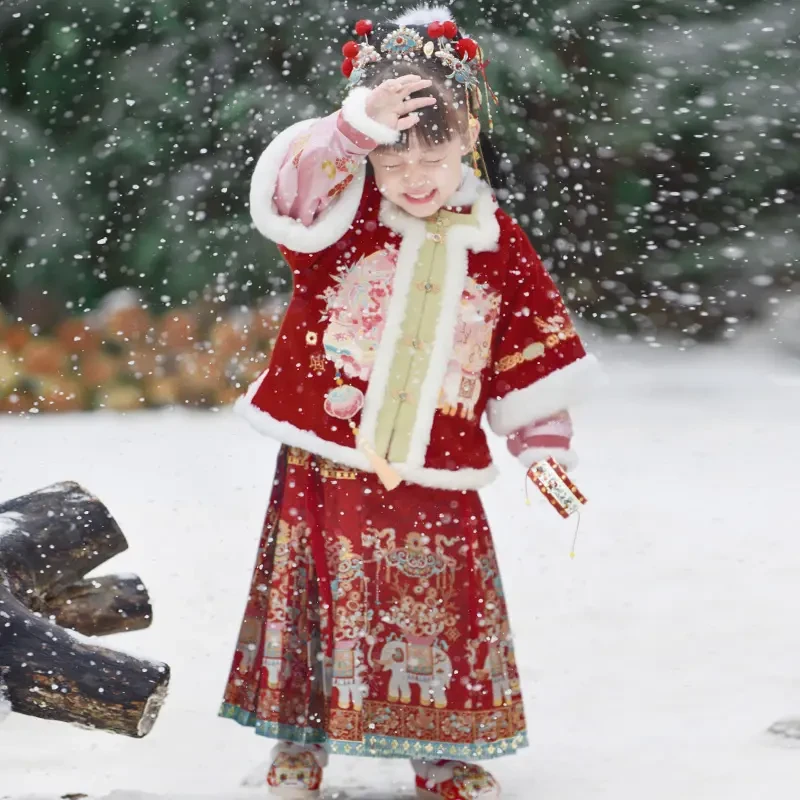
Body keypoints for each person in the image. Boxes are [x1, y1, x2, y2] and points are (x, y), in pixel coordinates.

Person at [219, 5, 598, 798]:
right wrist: (353, 130)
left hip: (436, 466)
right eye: (393, 162)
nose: (415, 177)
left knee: (439, 601)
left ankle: (444, 748)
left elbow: (528, 357)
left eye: (434, 153)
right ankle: (300, 740)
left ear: (467, 140)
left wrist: (545, 447)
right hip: (330, 451)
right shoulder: (339, 215)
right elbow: (288, 188)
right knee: (313, 593)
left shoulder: (501, 244)